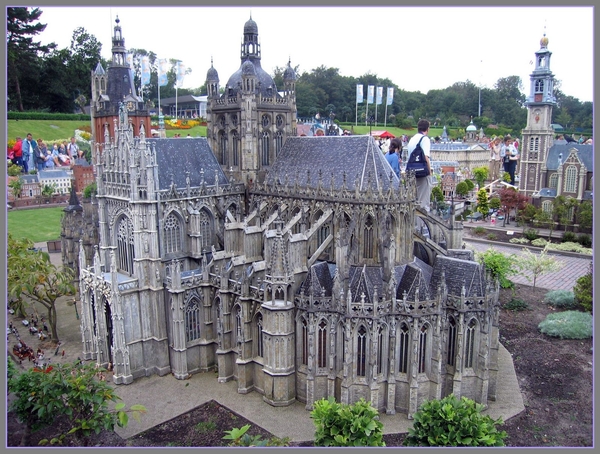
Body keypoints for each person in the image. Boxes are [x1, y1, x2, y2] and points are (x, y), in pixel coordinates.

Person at [407, 119, 432, 211]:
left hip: (411, 172)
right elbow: (426, 157)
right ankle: (421, 225)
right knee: (423, 204)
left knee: (412, 201)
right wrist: (429, 173)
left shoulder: (412, 139)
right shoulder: (424, 139)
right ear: (427, 129)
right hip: (422, 174)